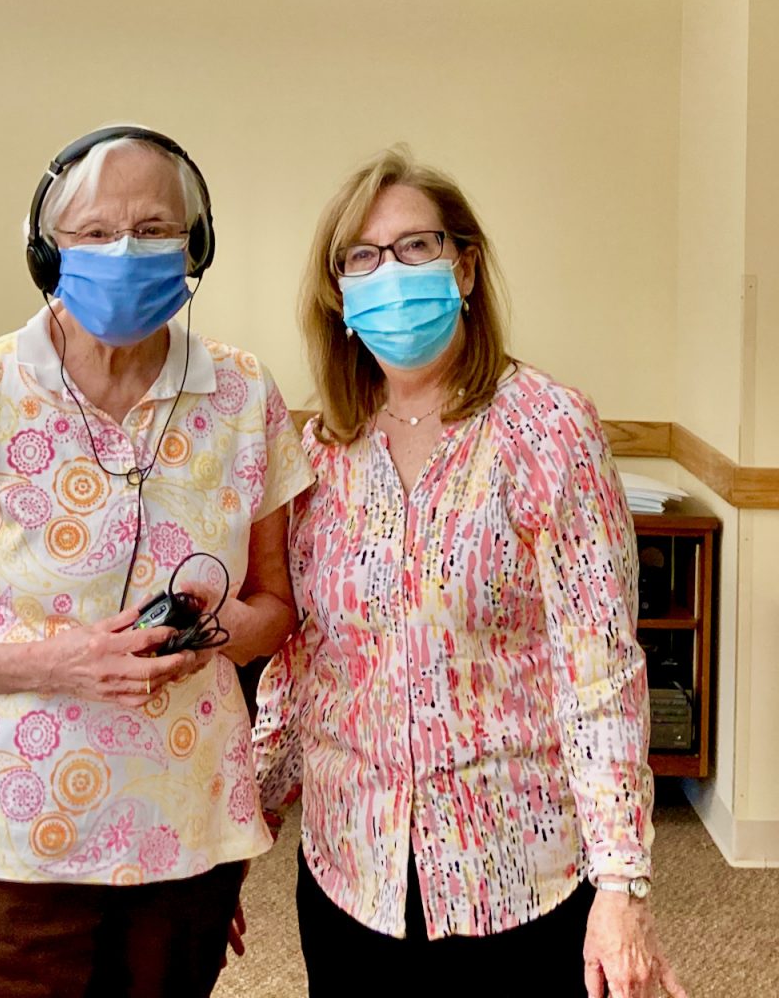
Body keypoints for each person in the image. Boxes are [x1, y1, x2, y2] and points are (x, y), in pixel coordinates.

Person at [0, 124, 313, 998]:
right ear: (47, 253)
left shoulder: (244, 394)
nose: (127, 251)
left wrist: (203, 637)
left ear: (196, 246)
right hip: (2, 836)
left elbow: (275, 608)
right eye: (97, 232)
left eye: (155, 229)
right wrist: (60, 661)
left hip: (183, 830)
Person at [253, 146, 688, 998]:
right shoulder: (320, 456)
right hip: (350, 875)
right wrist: (246, 820)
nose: (391, 272)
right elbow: (307, 664)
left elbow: (598, 674)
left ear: (465, 265)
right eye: (363, 257)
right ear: (339, 295)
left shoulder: (550, 430)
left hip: (514, 877)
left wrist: (622, 887)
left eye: (417, 247)